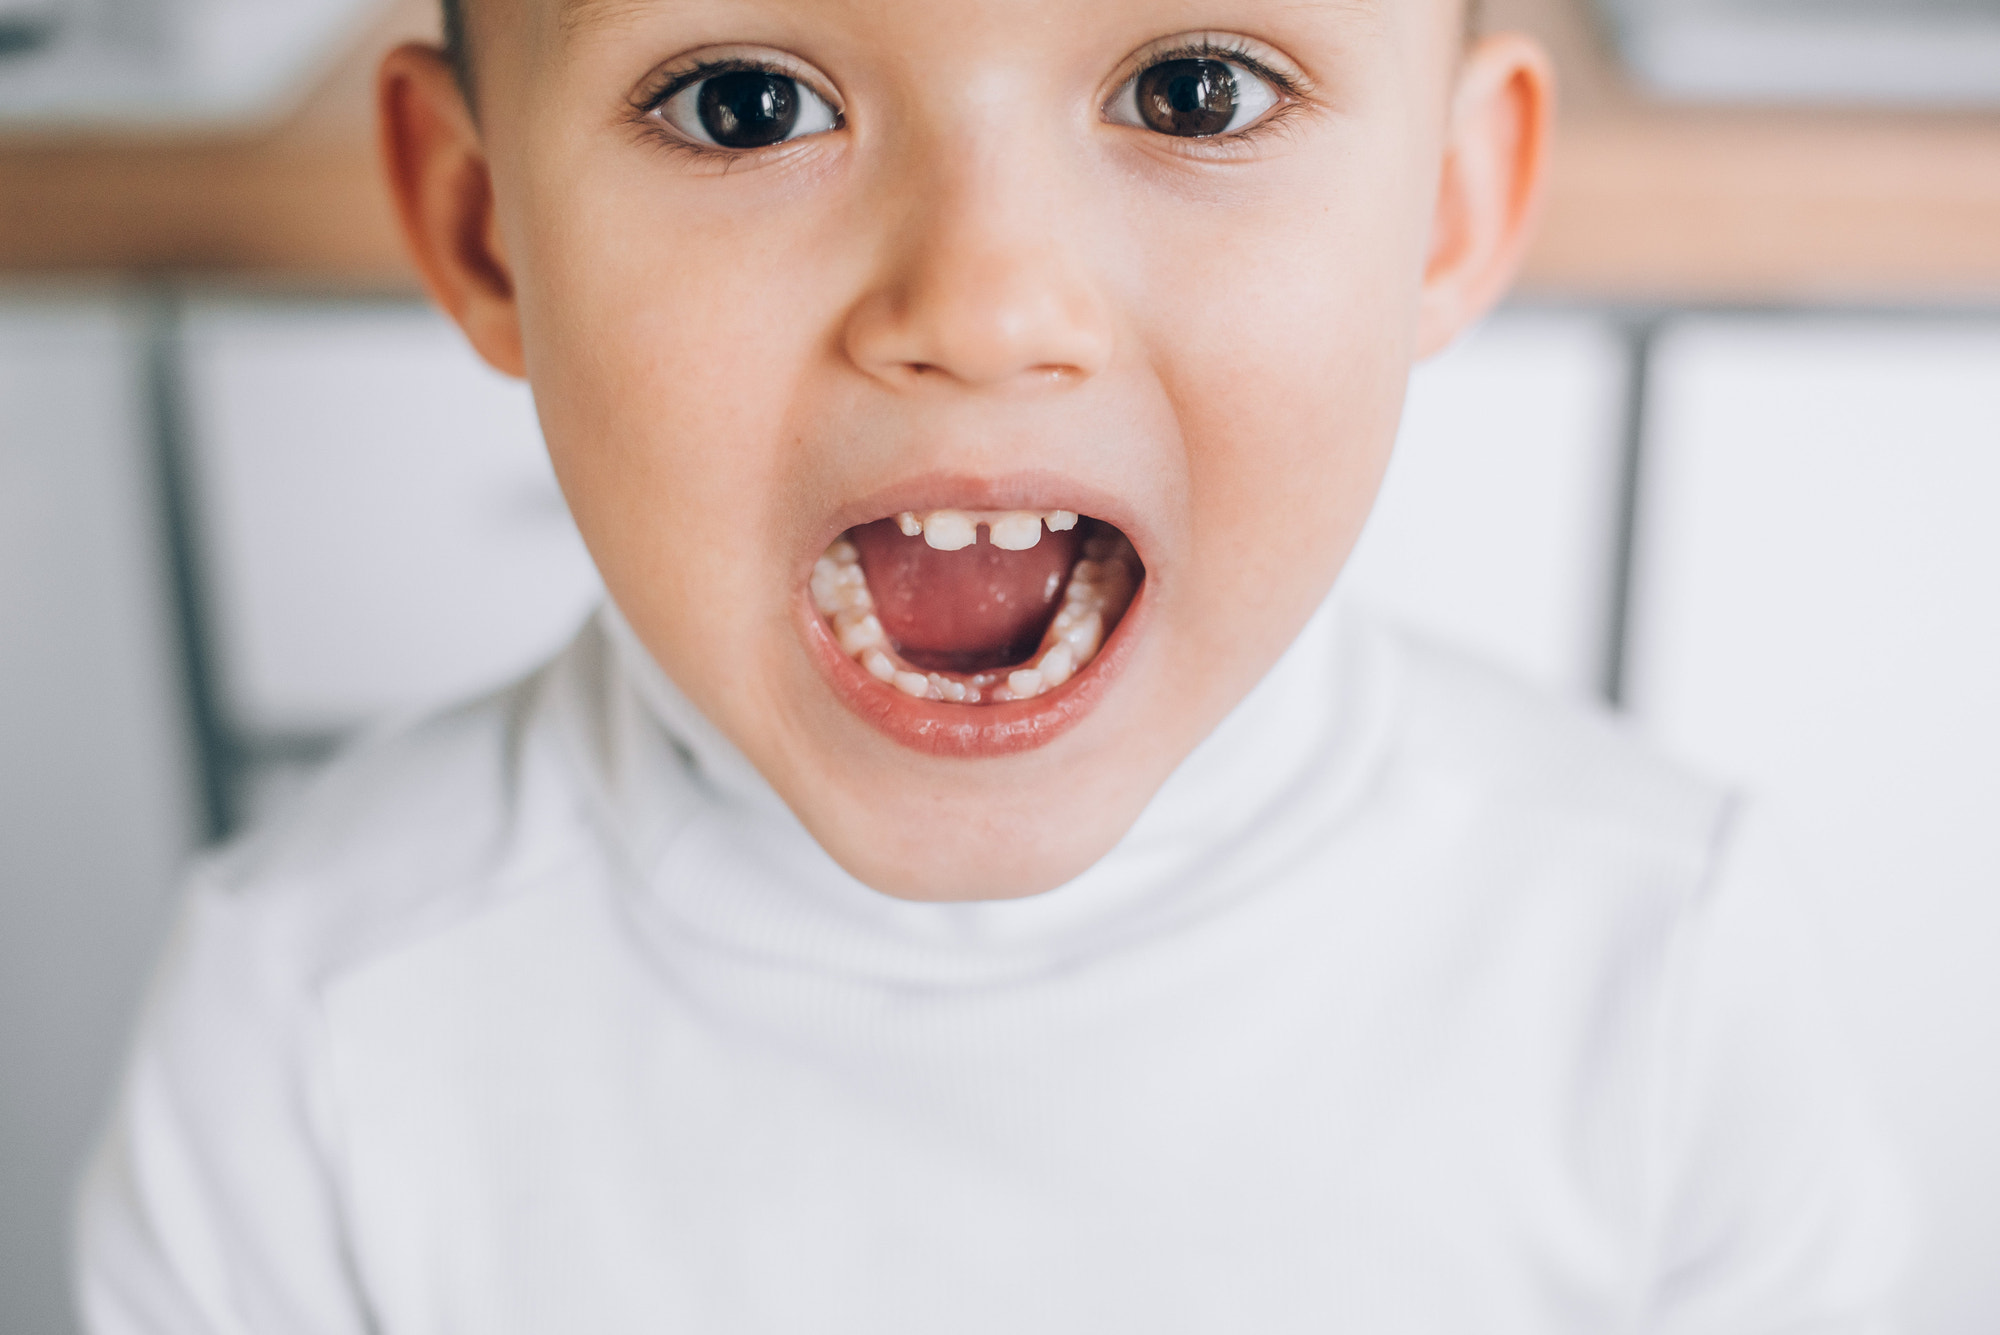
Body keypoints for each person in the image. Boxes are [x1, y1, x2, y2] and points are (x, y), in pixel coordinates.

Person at [74, 0, 1909, 1329]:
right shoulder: (303, 1043)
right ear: (487, 228)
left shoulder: (1668, 978)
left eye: (1195, 91)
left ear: (1442, 203)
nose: (985, 300)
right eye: (740, 103)